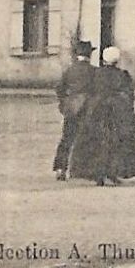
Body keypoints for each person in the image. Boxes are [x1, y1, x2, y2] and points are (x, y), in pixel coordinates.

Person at [68, 47, 135, 186]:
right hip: (116, 113)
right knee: (115, 143)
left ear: (104, 59)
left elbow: (89, 91)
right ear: (116, 61)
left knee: (96, 142)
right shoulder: (122, 75)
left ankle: (97, 174)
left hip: (96, 112)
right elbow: (128, 94)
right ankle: (113, 172)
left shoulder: (96, 74)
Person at [54, 40, 96, 178]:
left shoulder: (70, 70)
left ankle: (60, 168)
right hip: (88, 108)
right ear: (89, 55)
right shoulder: (93, 71)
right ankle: (86, 169)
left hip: (72, 108)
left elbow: (59, 89)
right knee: (90, 138)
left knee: (67, 138)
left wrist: (64, 103)